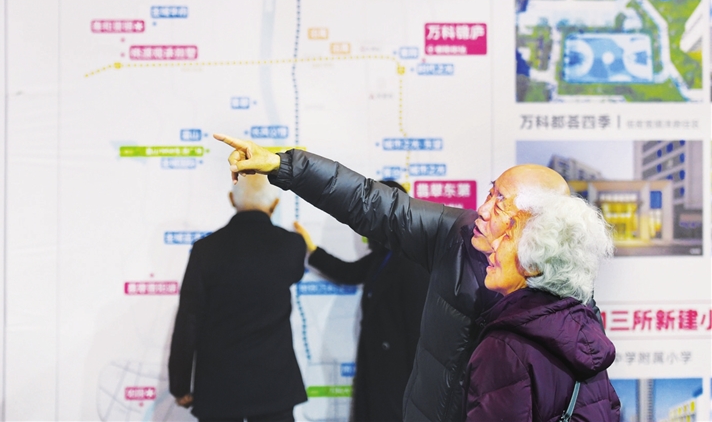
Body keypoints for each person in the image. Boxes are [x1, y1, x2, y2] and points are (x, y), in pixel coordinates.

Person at [212, 134, 598, 422]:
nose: (482, 209)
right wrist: (285, 166)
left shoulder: (570, 301)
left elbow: (590, 402)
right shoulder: (455, 235)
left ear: (539, 228)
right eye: (489, 193)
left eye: (500, 204)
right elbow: (370, 201)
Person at [464, 192, 620, 420]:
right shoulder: (586, 339)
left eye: (507, 237)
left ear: (533, 265)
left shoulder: (505, 348)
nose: (493, 244)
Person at [168, 174, 308, 422]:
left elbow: (188, 321)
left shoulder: (205, 249)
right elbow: (295, 272)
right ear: (275, 204)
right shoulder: (292, 245)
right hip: (274, 387)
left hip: (218, 388)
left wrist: (180, 385)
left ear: (232, 199)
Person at [293, 179, 429, 422]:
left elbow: (416, 333)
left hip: (398, 378)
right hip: (378, 370)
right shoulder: (384, 255)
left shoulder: (412, 260)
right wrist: (311, 250)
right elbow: (349, 273)